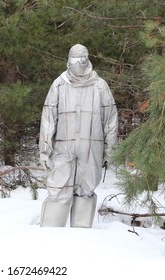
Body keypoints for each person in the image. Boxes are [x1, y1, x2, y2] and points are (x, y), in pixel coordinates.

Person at [39, 44, 118, 228]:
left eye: (82, 58)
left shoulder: (100, 86)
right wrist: (45, 150)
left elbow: (110, 120)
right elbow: (48, 119)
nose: (79, 63)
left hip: (92, 147)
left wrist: (110, 150)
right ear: (68, 60)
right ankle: (48, 239)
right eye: (75, 59)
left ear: (88, 59)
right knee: (58, 189)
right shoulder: (59, 85)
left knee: (86, 190)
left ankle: (82, 239)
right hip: (63, 148)